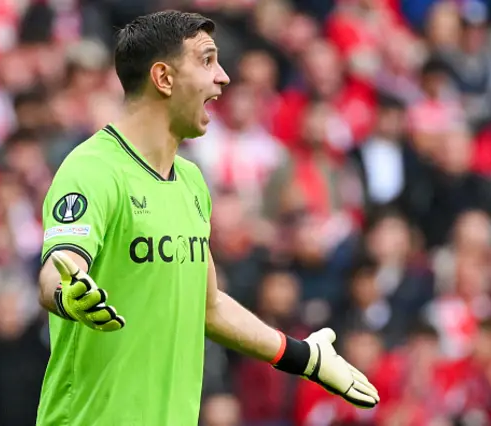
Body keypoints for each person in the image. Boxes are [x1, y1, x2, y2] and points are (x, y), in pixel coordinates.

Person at [35, 10, 379, 426]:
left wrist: (303, 357)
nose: (224, 78)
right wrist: (68, 295)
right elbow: (59, 272)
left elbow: (209, 305)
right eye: (206, 61)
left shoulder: (192, 181)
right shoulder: (92, 169)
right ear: (163, 78)